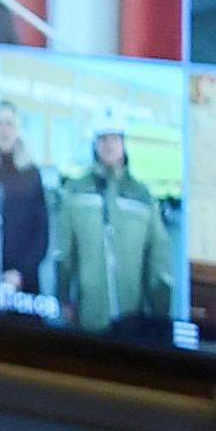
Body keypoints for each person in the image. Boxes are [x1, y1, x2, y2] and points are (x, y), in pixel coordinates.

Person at [47, 123, 174, 335]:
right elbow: (63, 252)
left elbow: (158, 256)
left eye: (115, 139)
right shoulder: (75, 191)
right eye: (103, 139)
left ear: (123, 144)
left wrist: (160, 313)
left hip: (132, 321)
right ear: (95, 144)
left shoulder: (142, 196)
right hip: (88, 319)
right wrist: (63, 298)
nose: (109, 145)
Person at [0, 97, 55, 315]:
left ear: (18, 130)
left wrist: (21, 273)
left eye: (10, 124)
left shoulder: (31, 174)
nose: (4, 130)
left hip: (26, 281)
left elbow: (41, 230)